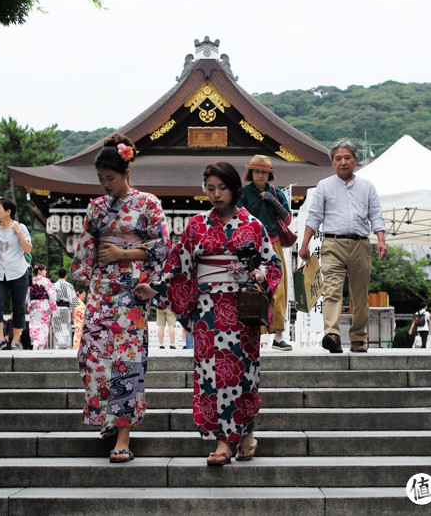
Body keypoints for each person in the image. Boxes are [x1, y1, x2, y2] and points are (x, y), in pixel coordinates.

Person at [136, 161, 282, 465]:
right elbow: (179, 268)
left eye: (222, 188)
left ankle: (244, 434)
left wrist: (258, 275)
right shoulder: (196, 225)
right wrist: (157, 288)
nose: (215, 194)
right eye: (210, 188)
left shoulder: (252, 225)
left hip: (242, 309)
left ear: (234, 189)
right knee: (211, 375)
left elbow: (273, 265)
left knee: (243, 373)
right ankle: (225, 440)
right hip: (206, 312)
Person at [71, 133, 168, 463]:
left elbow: (162, 247)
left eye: (109, 178)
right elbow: (86, 247)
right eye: (100, 179)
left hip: (131, 289)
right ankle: (108, 419)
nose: (104, 185)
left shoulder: (148, 204)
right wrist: (86, 279)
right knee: (92, 355)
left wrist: (123, 252)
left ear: (126, 173)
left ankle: (123, 434)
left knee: (126, 359)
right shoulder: (95, 207)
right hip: (101, 288)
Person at [298, 139, 387, 354]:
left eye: (348, 157)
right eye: (338, 158)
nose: (343, 162)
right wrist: (304, 244)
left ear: (356, 160)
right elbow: (314, 216)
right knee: (331, 291)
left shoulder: (367, 186)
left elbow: (376, 215)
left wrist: (381, 240)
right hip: (332, 243)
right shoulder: (324, 186)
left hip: (360, 244)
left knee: (360, 294)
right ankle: (333, 335)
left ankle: (358, 338)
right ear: (332, 163)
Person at [241, 154, 294, 351]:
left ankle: (278, 336)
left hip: (274, 244)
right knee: (253, 290)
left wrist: (273, 201)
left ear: (269, 174)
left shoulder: (276, 193)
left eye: (264, 172)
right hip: (251, 247)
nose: (260, 175)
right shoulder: (243, 193)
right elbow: (236, 217)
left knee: (279, 290)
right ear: (251, 173)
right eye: (257, 171)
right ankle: (254, 335)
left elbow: (287, 220)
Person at [0, 197, 33, 350]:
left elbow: (28, 249)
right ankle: (0, 338)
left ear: (8, 212)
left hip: (19, 273)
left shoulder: (21, 227)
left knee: (18, 307)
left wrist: (19, 232)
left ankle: (15, 341)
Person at [26, 263, 57, 349]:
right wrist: (53, 305)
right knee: (44, 324)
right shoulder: (46, 280)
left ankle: (35, 341)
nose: (46, 272)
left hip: (33, 303)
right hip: (44, 304)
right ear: (39, 271)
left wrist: (28, 305)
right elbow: (52, 293)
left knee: (33, 323)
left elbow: (27, 294)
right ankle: (41, 344)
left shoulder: (31, 280)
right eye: (44, 270)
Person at [51, 268, 80, 349]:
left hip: (56, 308)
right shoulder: (70, 286)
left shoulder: (53, 285)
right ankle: (66, 345)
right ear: (66, 276)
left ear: (57, 275)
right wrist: (73, 312)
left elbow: (50, 298)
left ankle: (59, 345)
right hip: (66, 308)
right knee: (66, 327)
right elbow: (74, 301)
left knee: (57, 327)